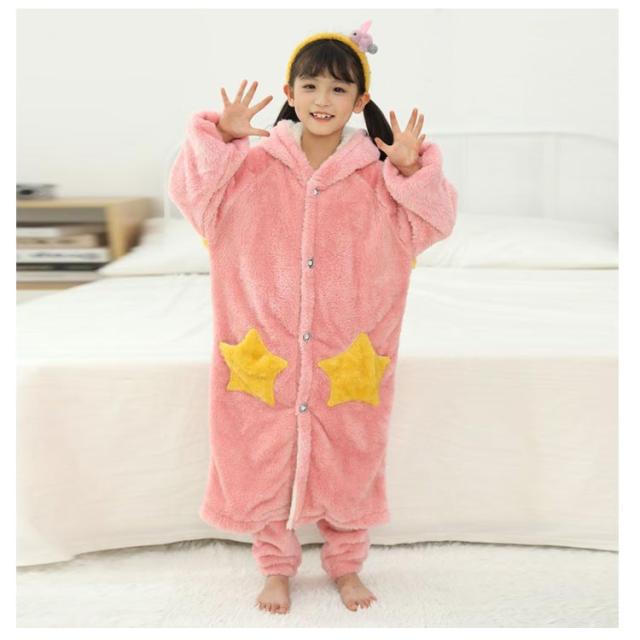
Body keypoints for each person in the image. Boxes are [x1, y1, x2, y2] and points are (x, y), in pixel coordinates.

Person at [168, 19, 458, 615]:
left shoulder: (377, 177)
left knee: (350, 451)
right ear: (290, 92)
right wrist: (220, 139)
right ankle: (274, 567)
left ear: (360, 101)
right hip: (259, 351)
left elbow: (433, 223)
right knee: (261, 450)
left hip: (349, 355)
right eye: (311, 86)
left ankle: (347, 565)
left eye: (338, 89)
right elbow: (193, 196)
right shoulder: (250, 170)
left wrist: (410, 172)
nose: (323, 99)